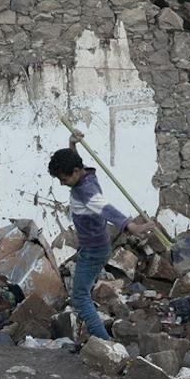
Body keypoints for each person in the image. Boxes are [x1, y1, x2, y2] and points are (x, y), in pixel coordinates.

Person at [50, 139, 128, 343]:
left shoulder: (86, 191)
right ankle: (100, 336)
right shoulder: (86, 176)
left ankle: (105, 343)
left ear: (76, 171)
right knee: (82, 292)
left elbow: (106, 208)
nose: (62, 182)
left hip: (95, 249)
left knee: (79, 297)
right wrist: (72, 145)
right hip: (92, 246)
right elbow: (76, 164)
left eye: (64, 178)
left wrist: (129, 225)